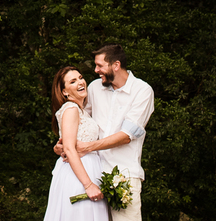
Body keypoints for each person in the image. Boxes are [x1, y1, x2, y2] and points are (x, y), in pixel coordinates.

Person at [55, 45, 155, 221]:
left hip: (124, 175)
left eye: (100, 66)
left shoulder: (142, 91)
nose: (95, 70)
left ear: (115, 65)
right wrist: (63, 145)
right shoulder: (94, 88)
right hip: (93, 173)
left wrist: (88, 147)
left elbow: (127, 135)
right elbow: (79, 120)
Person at [42, 66, 109, 221]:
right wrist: (88, 185)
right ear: (64, 92)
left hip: (89, 169)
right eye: (73, 81)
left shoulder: (82, 111)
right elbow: (70, 149)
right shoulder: (71, 108)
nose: (80, 82)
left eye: (80, 78)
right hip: (79, 174)